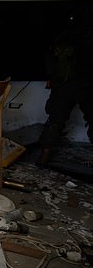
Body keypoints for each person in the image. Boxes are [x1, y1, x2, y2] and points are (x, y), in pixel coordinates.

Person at [36, 10, 93, 166]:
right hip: (85, 86)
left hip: (64, 87)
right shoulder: (87, 37)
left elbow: (50, 63)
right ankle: (44, 155)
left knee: (55, 122)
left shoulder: (60, 38)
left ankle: (44, 156)